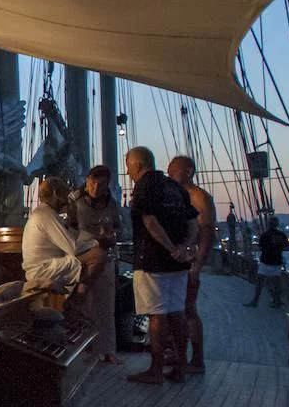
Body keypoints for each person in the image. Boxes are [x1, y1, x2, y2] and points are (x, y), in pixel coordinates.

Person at [124, 146, 198, 385]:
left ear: (137, 165)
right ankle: (180, 366)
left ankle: (156, 370)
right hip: (179, 264)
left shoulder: (144, 186)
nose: (128, 172)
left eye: (128, 167)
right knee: (177, 312)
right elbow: (193, 223)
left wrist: (170, 247)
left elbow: (150, 221)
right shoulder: (174, 187)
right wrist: (184, 247)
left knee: (157, 315)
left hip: (152, 261)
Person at [70, 165, 123, 365]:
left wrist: (111, 234)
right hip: (81, 255)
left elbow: (119, 227)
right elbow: (67, 228)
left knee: (106, 304)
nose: (95, 188)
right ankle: (86, 349)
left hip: (104, 254)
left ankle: (108, 350)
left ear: (107, 184)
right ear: (87, 180)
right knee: (84, 304)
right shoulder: (74, 201)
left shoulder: (111, 204)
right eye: (92, 183)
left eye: (100, 184)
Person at [22, 176, 107, 297]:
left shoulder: (46, 212)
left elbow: (73, 235)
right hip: (42, 270)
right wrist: (98, 242)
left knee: (92, 254)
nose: (68, 197)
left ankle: (76, 298)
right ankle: (76, 300)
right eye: (65, 192)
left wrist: (74, 219)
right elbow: (73, 248)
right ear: (56, 193)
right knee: (98, 255)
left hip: (46, 266)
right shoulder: (45, 214)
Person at [168, 156, 215, 373]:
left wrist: (197, 266)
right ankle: (177, 354)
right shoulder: (176, 196)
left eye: (173, 171)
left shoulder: (199, 197)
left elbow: (207, 233)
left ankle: (197, 359)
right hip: (176, 260)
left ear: (188, 172)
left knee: (188, 309)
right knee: (174, 310)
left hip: (189, 261)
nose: (169, 175)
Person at [247, 217, 289, 308]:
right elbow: (286, 245)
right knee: (276, 284)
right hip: (277, 262)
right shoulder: (282, 235)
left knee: (260, 282)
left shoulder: (265, 235)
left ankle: (255, 301)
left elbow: (261, 246)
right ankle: (277, 301)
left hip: (265, 261)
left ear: (268, 225)